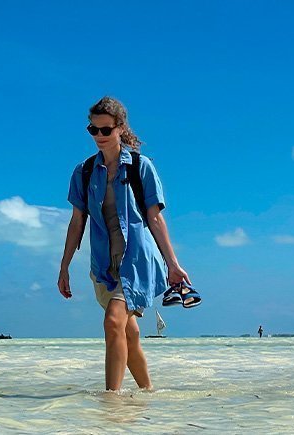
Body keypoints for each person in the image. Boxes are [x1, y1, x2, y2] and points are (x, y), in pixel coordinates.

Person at [58, 96, 196, 391]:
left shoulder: (139, 167)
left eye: (105, 130)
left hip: (137, 261)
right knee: (129, 333)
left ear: (120, 128)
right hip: (104, 265)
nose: (98, 137)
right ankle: (148, 393)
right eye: (92, 130)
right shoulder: (83, 172)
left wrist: (173, 263)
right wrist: (64, 265)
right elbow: (76, 222)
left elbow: (155, 219)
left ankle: (112, 403)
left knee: (112, 322)